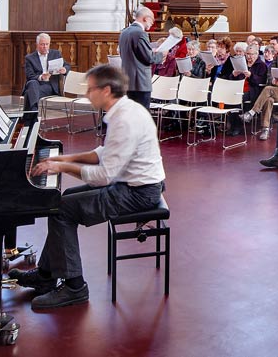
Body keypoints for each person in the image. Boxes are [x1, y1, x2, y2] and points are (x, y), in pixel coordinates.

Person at [10, 65, 165, 309]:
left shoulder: (124, 119)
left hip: (138, 193)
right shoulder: (124, 110)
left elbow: (103, 176)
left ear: (106, 90)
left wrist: (61, 168)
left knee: (62, 210)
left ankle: (74, 287)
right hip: (132, 184)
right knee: (65, 199)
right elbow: (103, 153)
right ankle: (46, 276)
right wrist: (65, 158)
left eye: (90, 89)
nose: (87, 94)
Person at [118, 6, 166, 109]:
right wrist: (162, 54)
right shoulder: (140, 33)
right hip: (140, 82)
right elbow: (149, 58)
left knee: (129, 113)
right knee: (141, 114)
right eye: (152, 20)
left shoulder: (124, 32)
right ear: (146, 18)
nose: (153, 23)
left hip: (127, 80)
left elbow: (126, 54)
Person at [22, 33, 69, 122]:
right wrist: (41, 77)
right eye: (42, 44)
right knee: (32, 83)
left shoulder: (56, 54)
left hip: (49, 86)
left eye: (47, 44)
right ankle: (34, 110)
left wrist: (64, 70)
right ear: (37, 45)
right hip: (36, 83)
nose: (45, 47)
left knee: (29, 92)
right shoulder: (30, 58)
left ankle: (31, 114)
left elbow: (67, 65)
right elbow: (29, 76)